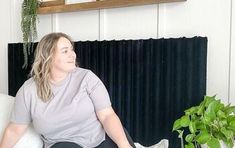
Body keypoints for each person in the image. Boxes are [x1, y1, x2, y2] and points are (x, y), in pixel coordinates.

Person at [0, 32, 136, 148]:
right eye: (65, 51)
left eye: (72, 49)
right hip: (63, 143)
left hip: (99, 138)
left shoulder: (86, 77)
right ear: (48, 57)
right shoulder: (28, 91)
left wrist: (124, 145)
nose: (73, 55)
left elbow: (107, 116)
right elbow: (15, 129)